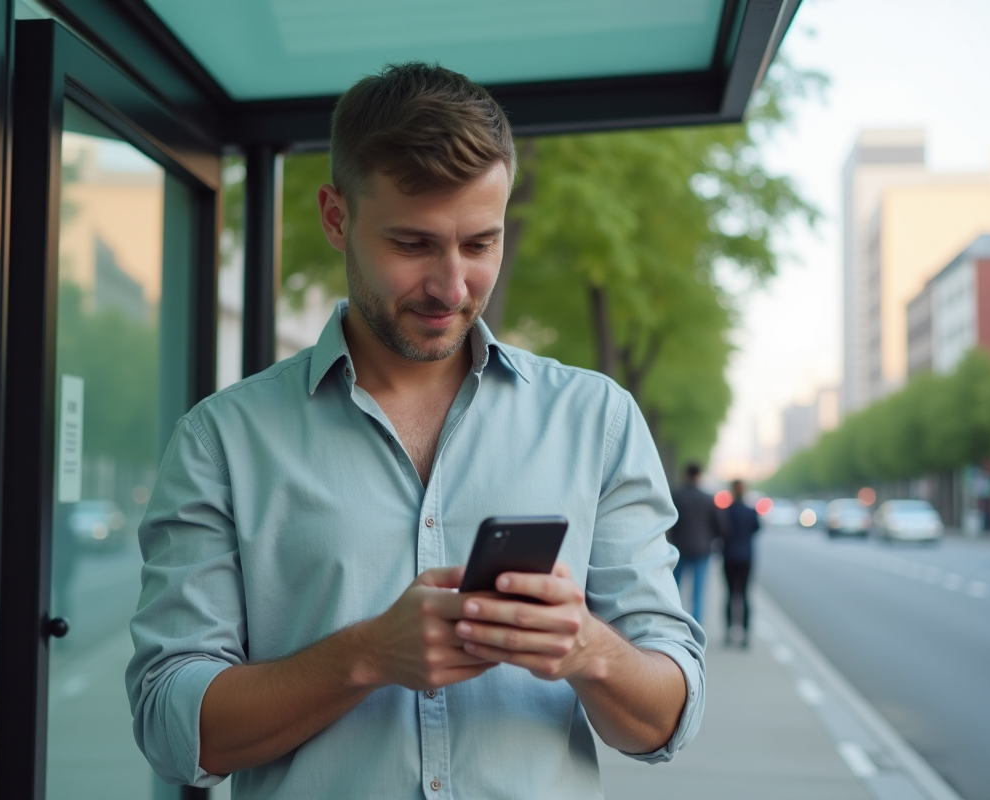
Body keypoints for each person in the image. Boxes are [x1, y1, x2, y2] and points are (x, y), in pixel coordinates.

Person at [126, 63, 706, 798]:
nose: (451, 285)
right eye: (413, 244)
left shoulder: (598, 420)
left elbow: (666, 720)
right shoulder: (222, 440)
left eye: (479, 244)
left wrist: (590, 648)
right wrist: (365, 656)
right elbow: (171, 727)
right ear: (336, 218)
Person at [668, 462, 725, 623]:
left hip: (678, 549)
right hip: (702, 550)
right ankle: (695, 629)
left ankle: (672, 625)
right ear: (699, 476)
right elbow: (720, 526)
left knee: (674, 591)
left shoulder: (676, 496)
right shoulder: (707, 499)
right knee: (698, 594)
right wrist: (709, 539)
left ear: (685, 475)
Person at [722, 480, 761, 648]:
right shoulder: (751, 512)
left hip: (729, 556)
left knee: (730, 595)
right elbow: (757, 529)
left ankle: (729, 633)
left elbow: (720, 530)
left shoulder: (726, 512)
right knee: (745, 595)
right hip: (746, 557)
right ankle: (745, 635)